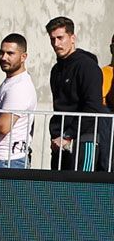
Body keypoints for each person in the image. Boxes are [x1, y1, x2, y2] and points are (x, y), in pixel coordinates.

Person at [44, 16, 111, 171]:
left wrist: (68, 136)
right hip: (60, 142)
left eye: (60, 38)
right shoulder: (56, 70)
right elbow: (59, 106)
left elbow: (93, 107)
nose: (56, 44)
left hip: (84, 139)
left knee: (82, 190)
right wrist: (57, 135)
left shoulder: (87, 67)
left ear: (72, 38)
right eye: (52, 39)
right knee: (60, 189)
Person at [0, 33, 36, 169]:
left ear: (23, 57)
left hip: (7, 161)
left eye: (10, 53)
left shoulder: (19, 86)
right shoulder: (10, 82)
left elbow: (3, 127)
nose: (4, 58)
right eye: (1, 53)